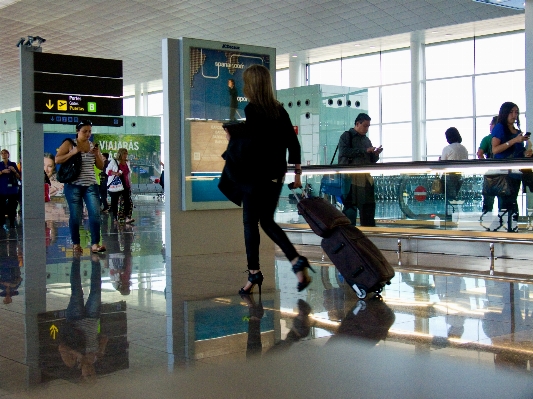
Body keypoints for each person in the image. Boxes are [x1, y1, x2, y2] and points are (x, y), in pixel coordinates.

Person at [221, 64, 314, 295]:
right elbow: (293, 144)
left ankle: (253, 273)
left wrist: (234, 134)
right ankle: (296, 261)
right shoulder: (279, 110)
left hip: (256, 177)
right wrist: (298, 175)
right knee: (267, 221)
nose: (243, 85)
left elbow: (254, 140)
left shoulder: (252, 109)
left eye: (245, 82)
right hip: (276, 176)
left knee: (250, 223)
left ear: (252, 85)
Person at [55, 120, 106, 253]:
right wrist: (73, 152)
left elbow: (100, 166)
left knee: (95, 214)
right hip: (73, 185)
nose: (88, 134)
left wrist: (97, 155)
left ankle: (95, 244)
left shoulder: (93, 145)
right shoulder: (69, 143)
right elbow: (57, 159)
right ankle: (76, 243)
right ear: (78, 131)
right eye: (85, 131)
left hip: (91, 185)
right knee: (76, 215)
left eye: (90, 131)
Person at [491, 102, 532, 231]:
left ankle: (511, 228)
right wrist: (514, 141)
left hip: (516, 172)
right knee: (507, 201)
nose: (514, 115)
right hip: (504, 172)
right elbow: (495, 150)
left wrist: (527, 152)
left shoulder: (517, 131)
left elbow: (518, 152)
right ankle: (505, 229)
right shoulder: (500, 128)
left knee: (512, 201)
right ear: (505, 113)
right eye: (511, 112)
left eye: (516, 112)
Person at [338, 113, 382, 227]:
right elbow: (343, 152)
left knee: (368, 209)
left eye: (368, 126)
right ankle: (349, 235)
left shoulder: (366, 139)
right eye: (365, 126)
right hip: (350, 179)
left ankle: (368, 233)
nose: (367, 129)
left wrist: (375, 154)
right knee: (350, 209)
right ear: (357, 124)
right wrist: (364, 150)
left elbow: (371, 160)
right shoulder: (347, 136)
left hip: (365, 179)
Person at [477, 117, 499, 218]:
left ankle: (487, 221)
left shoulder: (487, 139)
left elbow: (480, 153)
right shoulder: (505, 138)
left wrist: (484, 163)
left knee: (488, 200)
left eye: (491, 124)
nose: (490, 126)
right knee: (504, 202)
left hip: (490, 172)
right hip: (504, 173)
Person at [106, 148, 134, 224]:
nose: (125, 155)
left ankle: (127, 217)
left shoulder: (127, 162)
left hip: (125, 184)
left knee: (127, 201)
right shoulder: (114, 162)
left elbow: (128, 173)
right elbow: (107, 171)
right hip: (117, 184)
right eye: (124, 153)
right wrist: (115, 173)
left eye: (126, 154)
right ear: (120, 154)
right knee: (114, 201)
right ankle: (115, 217)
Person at [0, 149, 21, 230]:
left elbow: (18, 176)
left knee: (12, 206)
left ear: (8, 155)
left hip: (12, 189)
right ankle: (2, 223)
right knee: (1, 207)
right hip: (2, 189)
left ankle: (12, 222)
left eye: (5, 153)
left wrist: (14, 170)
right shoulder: (0, 164)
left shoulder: (13, 164)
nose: (3, 154)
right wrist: (2, 172)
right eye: (2, 153)